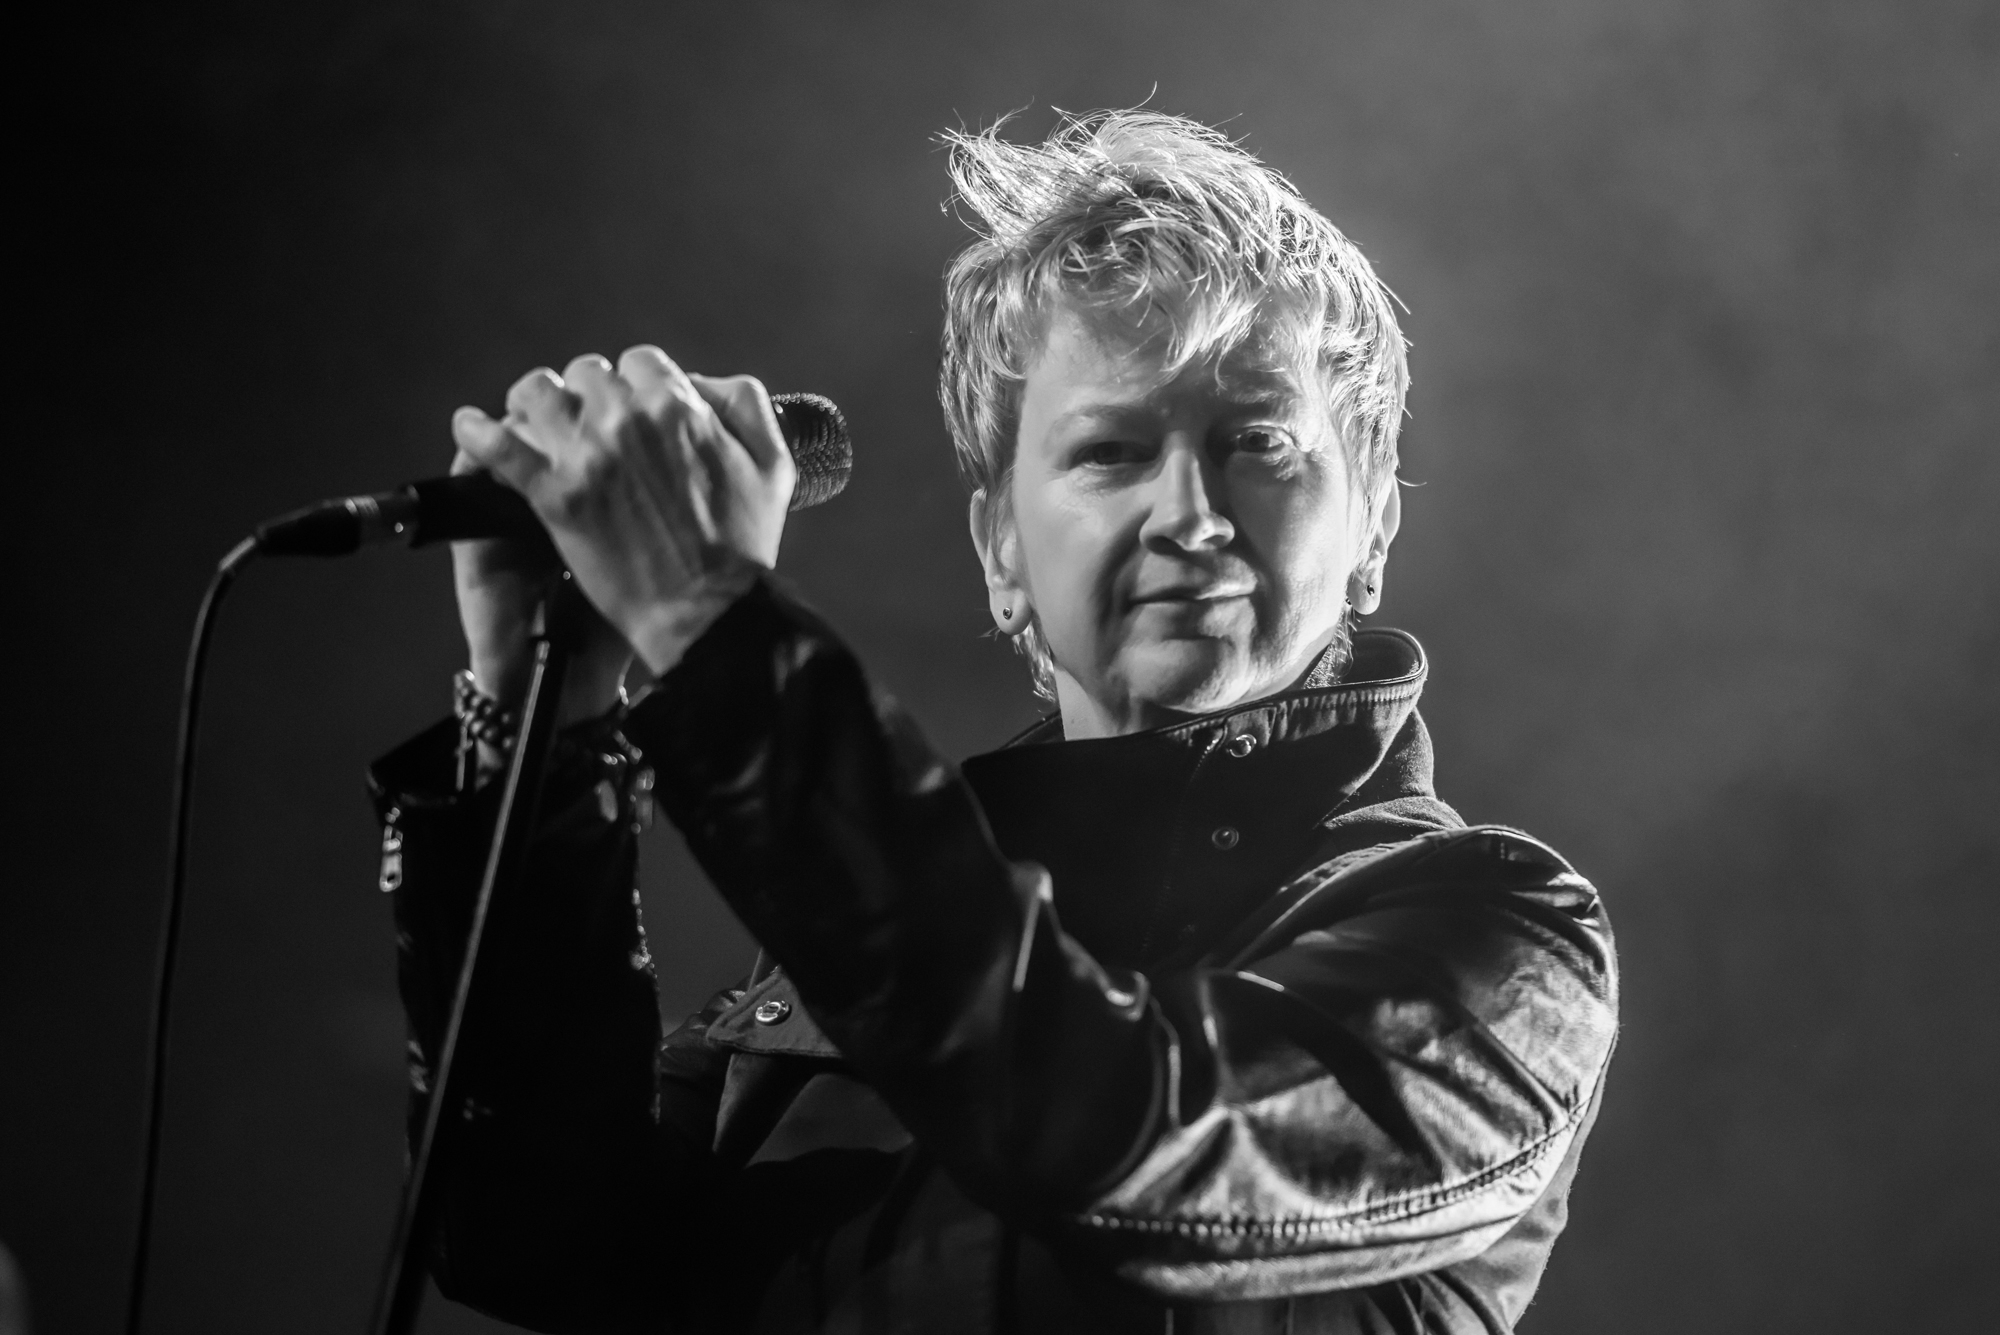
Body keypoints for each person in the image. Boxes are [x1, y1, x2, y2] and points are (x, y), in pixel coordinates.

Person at [371, 110, 1618, 1334]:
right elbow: (548, 1249)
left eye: (1256, 441)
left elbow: (1126, 1135)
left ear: (1373, 525)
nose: (1189, 516)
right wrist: (535, 730)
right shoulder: (852, 947)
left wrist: (708, 624)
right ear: (1000, 553)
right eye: (1110, 452)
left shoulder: (1501, 943)